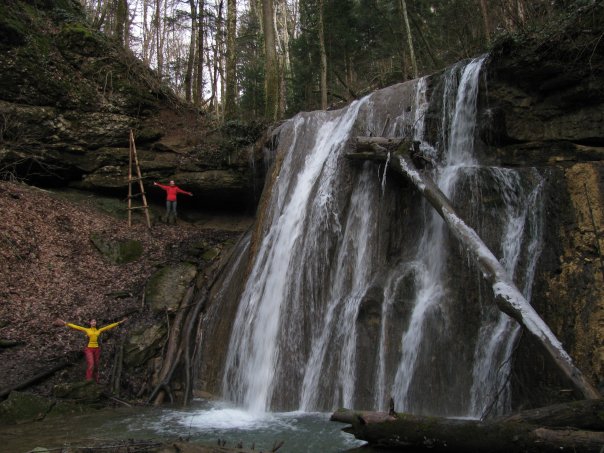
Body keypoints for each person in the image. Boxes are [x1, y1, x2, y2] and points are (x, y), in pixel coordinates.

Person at [58, 317, 127, 382]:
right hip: (89, 349)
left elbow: (109, 326)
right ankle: (88, 380)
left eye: (95, 321)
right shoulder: (87, 330)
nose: (94, 322)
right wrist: (65, 323)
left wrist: (120, 322)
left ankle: (96, 380)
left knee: (96, 366)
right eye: (92, 321)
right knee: (91, 364)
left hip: (97, 349)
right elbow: (76, 327)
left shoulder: (99, 330)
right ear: (90, 323)